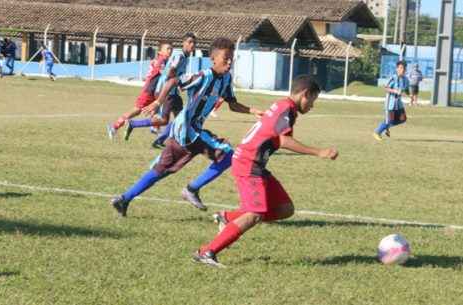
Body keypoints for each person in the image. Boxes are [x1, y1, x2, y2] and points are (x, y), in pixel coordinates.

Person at [192, 75, 339, 268]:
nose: (312, 105)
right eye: (313, 100)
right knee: (254, 214)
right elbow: (284, 141)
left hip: (256, 164)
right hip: (249, 163)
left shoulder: (284, 107)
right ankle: (206, 252)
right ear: (305, 94)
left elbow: (276, 138)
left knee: (285, 208)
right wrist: (319, 152)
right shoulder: (287, 109)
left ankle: (227, 218)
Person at [109, 37, 264, 217]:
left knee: (161, 170)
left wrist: (254, 111)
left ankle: (123, 199)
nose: (229, 62)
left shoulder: (226, 79)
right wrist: (158, 101)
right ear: (213, 59)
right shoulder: (203, 76)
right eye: (225, 58)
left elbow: (233, 104)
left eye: (232, 58)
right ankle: (191, 189)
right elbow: (174, 81)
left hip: (187, 133)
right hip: (188, 129)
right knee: (228, 154)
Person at [136, 33, 198, 148]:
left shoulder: (185, 57)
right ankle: (134, 124)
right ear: (183, 43)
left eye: (194, 43)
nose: (192, 45)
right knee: (167, 120)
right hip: (167, 91)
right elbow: (171, 72)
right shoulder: (179, 56)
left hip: (172, 91)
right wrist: (179, 81)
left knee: (181, 118)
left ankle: (174, 140)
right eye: (189, 42)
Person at [106, 41, 173, 139]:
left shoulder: (163, 60)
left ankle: (155, 128)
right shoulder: (161, 60)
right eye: (167, 49)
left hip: (154, 91)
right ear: (160, 51)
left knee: (158, 107)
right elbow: (165, 73)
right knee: (137, 110)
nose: (170, 51)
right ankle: (114, 127)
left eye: (171, 49)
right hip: (149, 90)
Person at [373, 60, 410, 141]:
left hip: (399, 104)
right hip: (390, 104)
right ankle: (377, 132)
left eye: (404, 68)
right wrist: (395, 91)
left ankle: (387, 126)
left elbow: (407, 89)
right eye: (400, 68)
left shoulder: (406, 79)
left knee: (403, 119)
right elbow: (385, 88)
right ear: (397, 69)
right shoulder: (393, 78)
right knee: (389, 120)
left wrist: (410, 95)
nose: (402, 70)